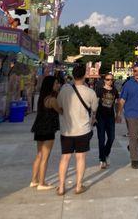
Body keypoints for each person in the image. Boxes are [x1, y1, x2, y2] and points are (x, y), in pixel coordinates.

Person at [57, 64, 98, 195]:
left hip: (67, 130)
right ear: (85, 75)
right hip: (83, 130)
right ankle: (78, 186)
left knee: (65, 158)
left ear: (72, 75)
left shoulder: (64, 90)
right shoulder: (90, 92)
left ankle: (61, 187)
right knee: (80, 158)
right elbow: (94, 109)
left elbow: (59, 106)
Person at [116, 63, 138, 169]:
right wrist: (118, 114)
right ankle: (134, 159)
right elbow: (122, 100)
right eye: (135, 71)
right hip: (131, 114)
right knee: (133, 136)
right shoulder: (128, 84)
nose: (137, 73)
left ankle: (132, 148)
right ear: (133, 72)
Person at [30, 75, 62, 190]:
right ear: (51, 85)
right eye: (56, 83)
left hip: (38, 128)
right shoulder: (52, 99)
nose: (58, 85)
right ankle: (42, 183)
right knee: (45, 157)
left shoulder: (42, 98)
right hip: (48, 129)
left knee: (39, 155)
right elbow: (60, 111)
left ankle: (34, 180)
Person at [95, 73, 119, 169]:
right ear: (104, 80)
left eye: (112, 80)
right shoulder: (99, 90)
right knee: (101, 139)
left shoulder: (114, 90)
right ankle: (102, 159)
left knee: (111, 137)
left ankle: (105, 154)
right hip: (100, 117)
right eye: (108, 79)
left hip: (110, 117)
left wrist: (118, 114)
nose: (110, 81)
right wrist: (93, 116)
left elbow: (117, 103)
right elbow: (95, 103)